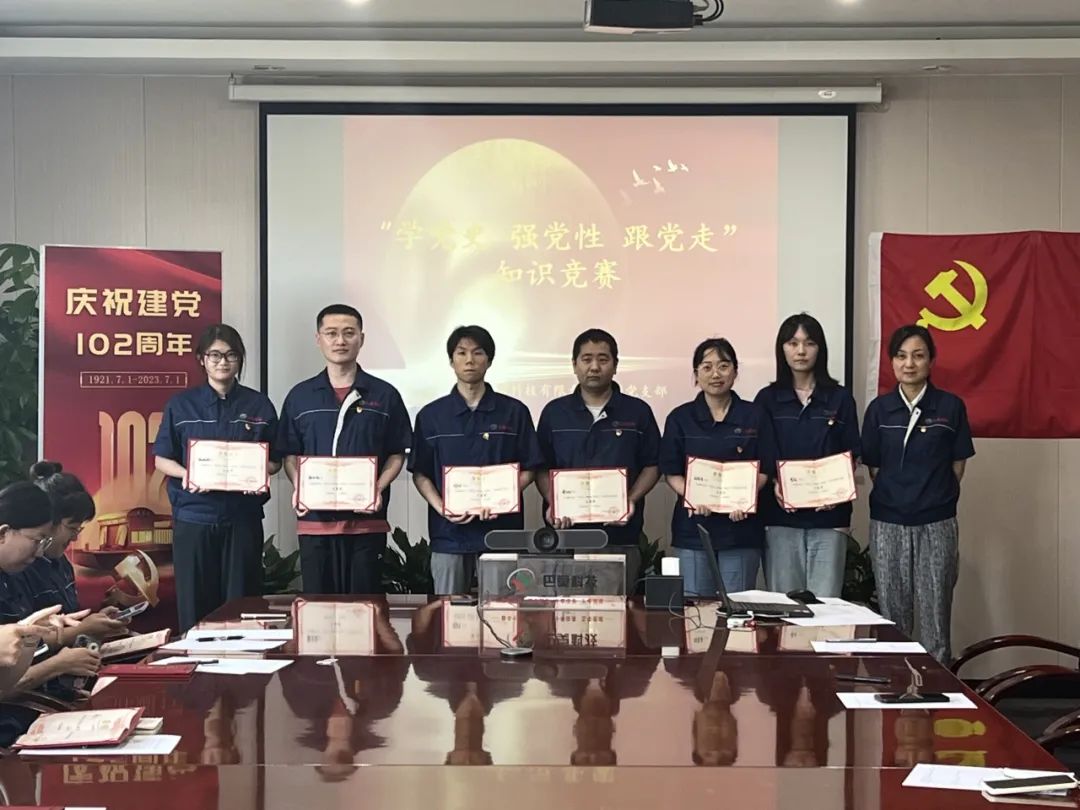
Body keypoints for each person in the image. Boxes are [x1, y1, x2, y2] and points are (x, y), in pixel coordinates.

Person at [153, 324, 280, 632]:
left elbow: (276, 460)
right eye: (215, 355)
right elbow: (162, 459)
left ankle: (243, 661)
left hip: (242, 518)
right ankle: (196, 659)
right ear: (202, 359)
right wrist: (189, 474)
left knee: (243, 603)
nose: (223, 362)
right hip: (194, 517)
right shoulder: (181, 405)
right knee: (195, 603)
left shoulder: (259, 405)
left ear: (240, 359)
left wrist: (256, 473)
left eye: (231, 355)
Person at [278, 305, 411, 595]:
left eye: (349, 333)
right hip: (315, 524)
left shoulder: (385, 395)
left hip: (366, 524)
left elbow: (396, 452)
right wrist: (300, 487)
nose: (340, 341)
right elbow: (290, 454)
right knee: (317, 607)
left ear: (361, 339)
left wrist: (377, 488)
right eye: (332, 333)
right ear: (318, 339)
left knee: (364, 607)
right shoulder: (300, 396)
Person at [861, 324, 974, 663]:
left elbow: (957, 465)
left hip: (936, 523)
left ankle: (937, 691)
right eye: (901, 356)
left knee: (936, 614)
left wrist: (932, 498)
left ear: (931, 361)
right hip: (889, 523)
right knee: (893, 616)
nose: (909, 364)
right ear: (892, 361)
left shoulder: (950, 407)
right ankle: (897, 686)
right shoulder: (879, 410)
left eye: (918, 356)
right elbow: (874, 467)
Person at [410, 325, 542, 595]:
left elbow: (530, 467)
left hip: (501, 533)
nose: (469, 360)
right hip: (449, 535)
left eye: (478, 353)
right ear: (451, 361)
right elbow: (420, 473)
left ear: (489, 360)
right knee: (449, 612)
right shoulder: (431, 415)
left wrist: (503, 498)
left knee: (502, 613)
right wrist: (442, 507)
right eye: (461, 353)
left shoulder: (514, 411)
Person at [535, 329, 661, 592]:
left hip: (619, 537)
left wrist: (630, 499)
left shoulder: (638, 412)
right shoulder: (554, 412)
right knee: (566, 612)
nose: (594, 367)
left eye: (603, 359)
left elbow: (653, 464)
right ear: (574, 365)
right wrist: (552, 501)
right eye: (586, 359)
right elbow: (541, 466)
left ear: (615, 365)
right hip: (566, 535)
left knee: (617, 612)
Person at [754, 314, 861, 597]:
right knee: (785, 604)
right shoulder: (767, 399)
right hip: (779, 516)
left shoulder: (840, 398)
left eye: (809, 343)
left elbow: (852, 453)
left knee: (827, 604)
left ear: (820, 348)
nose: (801, 351)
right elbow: (761, 454)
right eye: (793, 343)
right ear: (782, 348)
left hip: (829, 517)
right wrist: (775, 483)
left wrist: (836, 489)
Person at [660, 338, 774, 595]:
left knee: (737, 606)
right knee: (695, 610)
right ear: (696, 374)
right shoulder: (680, 418)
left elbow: (765, 469)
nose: (715, 374)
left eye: (723, 366)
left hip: (741, 529)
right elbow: (671, 472)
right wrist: (692, 495)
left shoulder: (755, 415)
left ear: (735, 371)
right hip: (694, 529)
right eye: (707, 367)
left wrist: (743, 498)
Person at [14, 461, 128, 643]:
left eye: (79, 529)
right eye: (72, 528)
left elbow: (68, 620)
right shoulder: (19, 567)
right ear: (48, 521)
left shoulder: (62, 563)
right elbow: (19, 642)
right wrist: (83, 630)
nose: (75, 538)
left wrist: (95, 623)